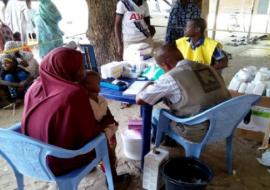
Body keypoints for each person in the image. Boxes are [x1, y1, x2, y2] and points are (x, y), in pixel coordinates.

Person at [21, 48, 130, 186]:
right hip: (60, 161)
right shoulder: (73, 93)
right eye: (79, 67)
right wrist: (110, 126)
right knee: (108, 138)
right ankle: (113, 180)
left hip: (33, 157)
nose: (83, 71)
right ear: (65, 69)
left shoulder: (34, 87)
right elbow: (90, 133)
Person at [136, 44, 231, 142]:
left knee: (157, 114)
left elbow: (140, 100)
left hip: (199, 131)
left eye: (161, 67)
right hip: (225, 124)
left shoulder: (170, 77)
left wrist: (148, 84)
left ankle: (162, 140)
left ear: (166, 64)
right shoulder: (209, 67)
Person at [81, 71, 119, 172]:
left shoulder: (101, 98)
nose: (100, 84)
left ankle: (112, 168)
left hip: (108, 130)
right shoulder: (85, 104)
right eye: (97, 83)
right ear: (86, 85)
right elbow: (90, 126)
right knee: (105, 155)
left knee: (112, 150)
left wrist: (111, 120)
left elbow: (108, 113)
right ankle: (110, 176)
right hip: (98, 134)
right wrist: (105, 124)